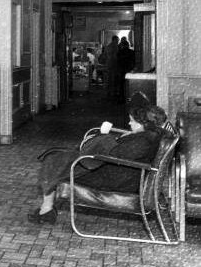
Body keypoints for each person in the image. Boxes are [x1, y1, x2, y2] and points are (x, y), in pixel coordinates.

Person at [27, 104, 167, 224]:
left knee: (55, 162)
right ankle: (47, 208)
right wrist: (126, 136)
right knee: (57, 159)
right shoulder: (148, 136)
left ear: (144, 123)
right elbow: (120, 151)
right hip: (118, 173)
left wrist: (104, 136)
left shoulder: (142, 141)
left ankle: (46, 210)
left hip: (115, 179)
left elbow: (115, 154)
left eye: (132, 121)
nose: (129, 124)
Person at [117, 38, 136, 103]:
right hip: (129, 70)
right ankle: (129, 98)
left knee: (121, 85)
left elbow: (118, 62)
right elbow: (134, 61)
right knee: (129, 84)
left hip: (122, 70)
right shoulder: (132, 52)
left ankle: (122, 98)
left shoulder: (120, 52)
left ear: (122, 45)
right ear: (128, 45)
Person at [104, 36, 120, 101]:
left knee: (109, 79)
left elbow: (105, 56)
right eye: (117, 40)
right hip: (114, 65)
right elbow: (115, 56)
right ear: (115, 40)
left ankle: (108, 92)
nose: (118, 41)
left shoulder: (108, 46)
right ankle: (113, 93)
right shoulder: (115, 46)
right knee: (113, 79)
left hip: (108, 64)